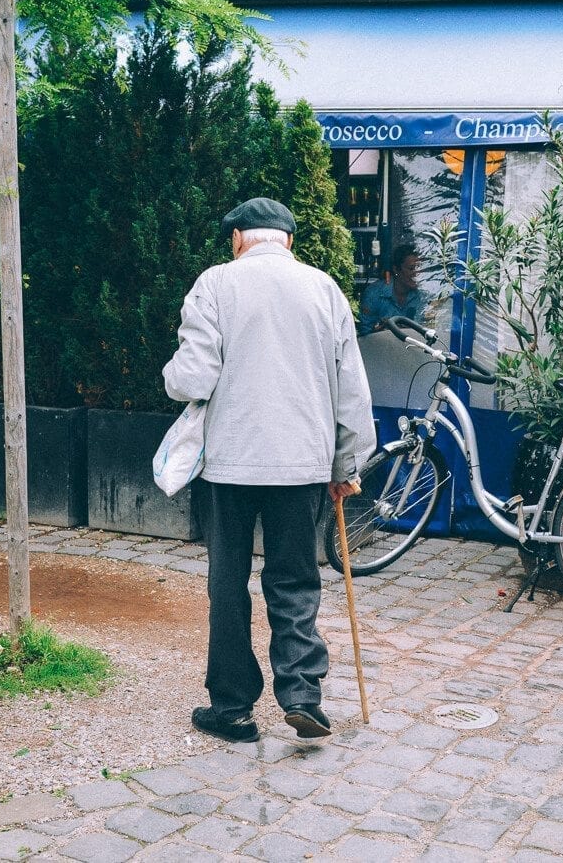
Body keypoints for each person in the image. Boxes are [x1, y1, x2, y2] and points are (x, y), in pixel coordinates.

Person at [162, 197, 376, 743]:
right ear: (288, 241)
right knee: (295, 579)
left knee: (228, 582)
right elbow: (350, 390)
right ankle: (302, 693)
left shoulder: (214, 284)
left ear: (238, 237)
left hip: (230, 464)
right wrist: (347, 464)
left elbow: (191, 379)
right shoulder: (324, 289)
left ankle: (232, 708)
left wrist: (170, 372)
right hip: (302, 464)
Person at [357, 245, 429, 336]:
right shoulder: (374, 293)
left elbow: (427, 329)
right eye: (411, 268)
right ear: (396, 270)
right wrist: (383, 329)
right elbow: (363, 335)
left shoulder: (423, 295)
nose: (417, 273)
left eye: (420, 269)